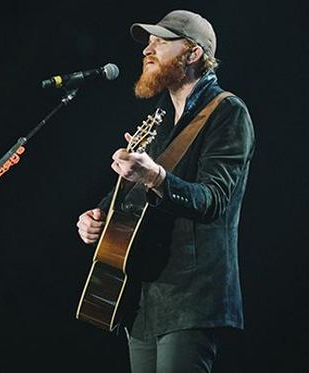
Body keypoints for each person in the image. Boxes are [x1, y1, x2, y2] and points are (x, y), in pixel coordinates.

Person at [76, 9, 255, 373]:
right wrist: (97, 216)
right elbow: (134, 199)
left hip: (192, 297)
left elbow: (213, 200)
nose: (148, 49)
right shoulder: (157, 121)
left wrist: (155, 175)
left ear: (193, 54)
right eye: (148, 42)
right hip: (143, 297)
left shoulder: (227, 112)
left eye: (161, 41)